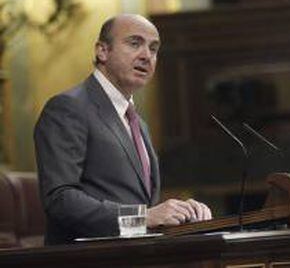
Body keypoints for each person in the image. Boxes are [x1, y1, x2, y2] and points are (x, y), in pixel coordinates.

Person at [34, 14, 212, 245]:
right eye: (134, 43)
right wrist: (143, 217)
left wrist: (181, 213)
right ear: (102, 51)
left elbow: (137, 204)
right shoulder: (68, 108)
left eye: (154, 48)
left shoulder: (136, 122)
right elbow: (60, 200)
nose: (146, 55)